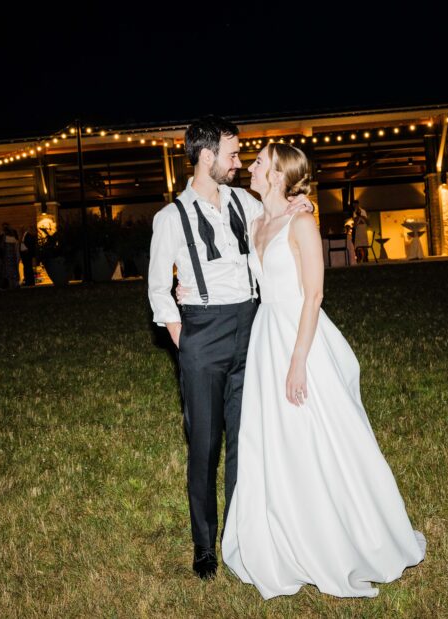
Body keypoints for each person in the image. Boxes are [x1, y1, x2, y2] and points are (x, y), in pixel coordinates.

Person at [221, 143, 425, 599]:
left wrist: (298, 361)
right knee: (271, 437)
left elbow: (313, 294)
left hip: (299, 336)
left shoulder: (303, 222)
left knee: (320, 434)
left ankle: (342, 535)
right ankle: (281, 533)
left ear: (276, 175)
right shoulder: (257, 219)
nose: (249, 167)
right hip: (265, 336)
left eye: (258, 163)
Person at [147, 115, 311, 580]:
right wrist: (187, 343)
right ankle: (204, 547)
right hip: (202, 332)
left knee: (246, 440)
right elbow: (159, 290)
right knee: (205, 445)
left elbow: (280, 216)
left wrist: (305, 206)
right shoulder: (169, 218)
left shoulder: (244, 201)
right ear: (206, 157)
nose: (239, 163)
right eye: (233, 155)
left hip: (252, 326)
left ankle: (239, 536)